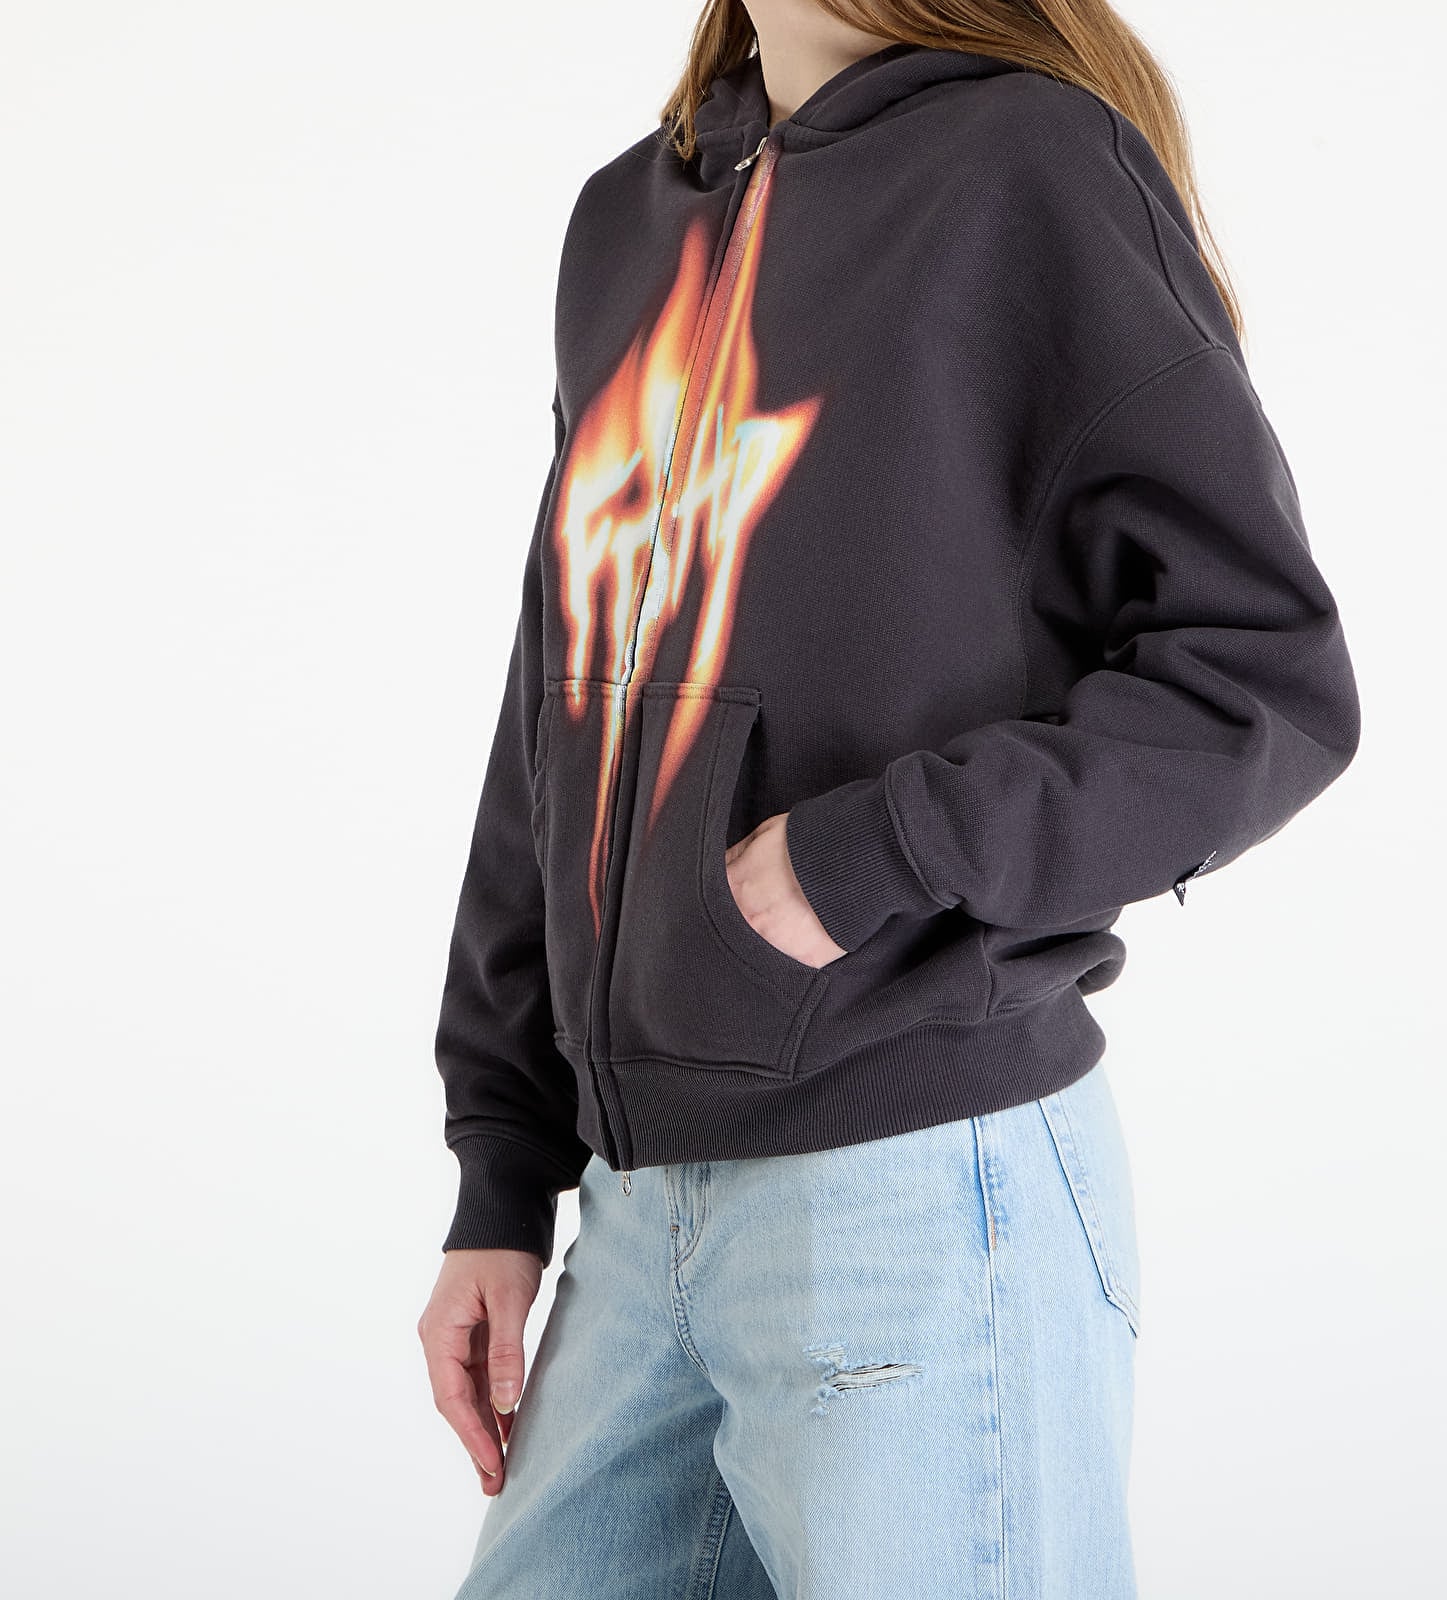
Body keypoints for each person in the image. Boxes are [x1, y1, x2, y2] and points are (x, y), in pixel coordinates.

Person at [417, 1, 1362, 1593]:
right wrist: (501, 1175)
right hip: (637, 1220)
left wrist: (872, 853)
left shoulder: (1028, 166)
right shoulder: (626, 217)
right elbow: (559, 711)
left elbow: (1260, 683)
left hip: (915, 1188)